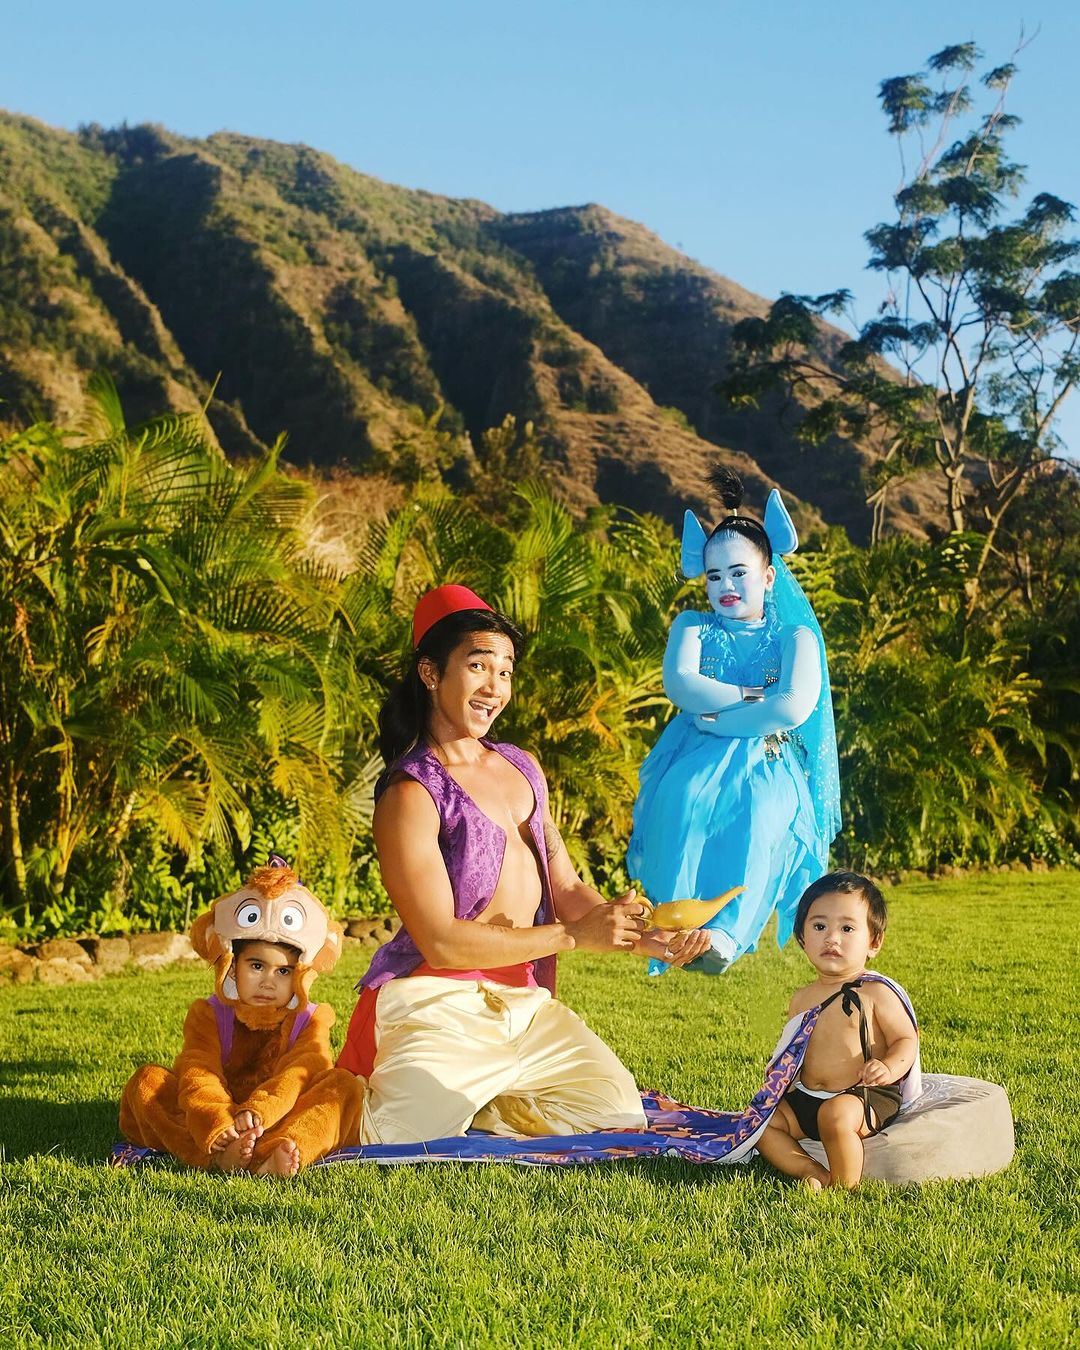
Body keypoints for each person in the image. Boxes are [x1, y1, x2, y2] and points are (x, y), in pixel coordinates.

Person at [337, 583, 710, 1143]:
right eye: (479, 666)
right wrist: (572, 936)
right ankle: (434, 1094)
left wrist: (641, 935)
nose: (496, 688)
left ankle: (489, 1103)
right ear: (431, 673)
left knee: (615, 1113)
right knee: (398, 1135)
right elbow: (439, 940)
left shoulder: (520, 766)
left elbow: (563, 884)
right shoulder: (410, 794)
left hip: (524, 1002)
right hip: (436, 998)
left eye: (506, 671)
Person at [627, 466, 841, 974]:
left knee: (759, 812)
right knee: (680, 802)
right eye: (714, 575)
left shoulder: (796, 638)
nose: (725, 586)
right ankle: (677, 924)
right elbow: (681, 684)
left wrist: (715, 717)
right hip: (694, 750)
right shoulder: (693, 626)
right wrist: (750, 695)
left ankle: (725, 934)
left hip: (767, 757)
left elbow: (791, 706)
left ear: (768, 576)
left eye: (739, 572)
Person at [119, 859, 364, 1176]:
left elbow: (299, 1074)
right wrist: (217, 1121)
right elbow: (199, 1070)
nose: (267, 981)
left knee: (343, 1086)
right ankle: (219, 1152)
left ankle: (276, 1150)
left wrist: (258, 1112)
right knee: (147, 1082)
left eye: (283, 971)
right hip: (216, 1116)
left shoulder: (312, 1019)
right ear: (233, 966)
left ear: (300, 974)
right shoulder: (208, 1014)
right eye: (257, 966)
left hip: (274, 1117)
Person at [754, 871, 921, 1188]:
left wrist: (888, 1067)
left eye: (847, 928)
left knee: (835, 1116)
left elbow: (906, 1039)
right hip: (806, 1097)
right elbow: (796, 1048)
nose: (832, 938)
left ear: (874, 942)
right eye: (819, 927)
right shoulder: (801, 998)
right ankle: (813, 1172)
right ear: (803, 938)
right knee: (762, 1124)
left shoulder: (875, 994)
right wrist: (783, 1078)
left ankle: (843, 1186)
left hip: (861, 1095)